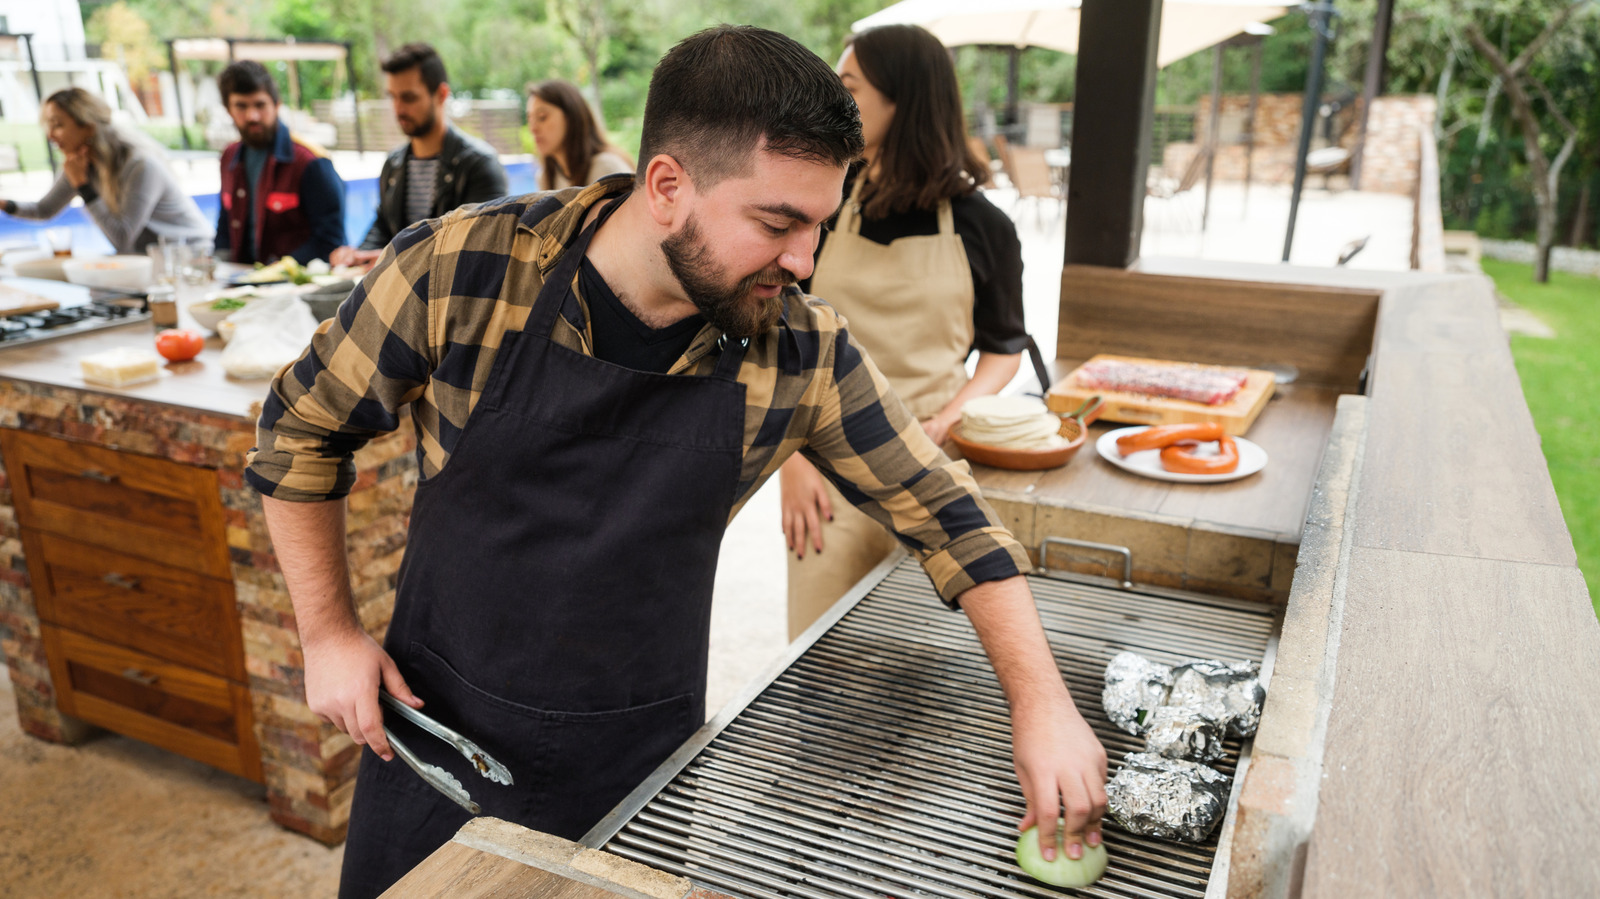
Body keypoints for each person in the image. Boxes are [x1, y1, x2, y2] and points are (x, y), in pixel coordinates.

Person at [247, 26, 1105, 899]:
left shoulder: (799, 352)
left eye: (820, 224)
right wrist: (328, 634)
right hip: (437, 741)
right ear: (667, 186)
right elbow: (300, 428)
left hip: (635, 766)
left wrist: (1042, 704)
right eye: (778, 222)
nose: (804, 260)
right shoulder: (461, 270)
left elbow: (948, 513)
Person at [782, 24, 1032, 640]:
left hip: (935, 463)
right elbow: (779, 330)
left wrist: (948, 420)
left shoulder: (983, 225)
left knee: (926, 655)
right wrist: (791, 460)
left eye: (849, 88)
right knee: (821, 654)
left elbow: (1003, 351)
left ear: (904, 99)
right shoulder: (825, 203)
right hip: (827, 464)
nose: (834, 105)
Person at [329, 43, 509, 267]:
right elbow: (383, 227)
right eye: (393, 97)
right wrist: (356, 256)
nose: (398, 109)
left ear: (441, 95)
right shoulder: (393, 164)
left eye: (409, 98)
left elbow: (480, 251)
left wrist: (395, 261)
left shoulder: (479, 165)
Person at [0, 88, 211, 254]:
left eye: (57, 125)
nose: (50, 135)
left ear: (88, 126)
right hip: (148, 260)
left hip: (192, 256)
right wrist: (3, 203)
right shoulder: (81, 165)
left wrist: (83, 187)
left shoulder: (140, 166)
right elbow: (43, 210)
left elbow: (122, 238)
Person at [215, 60, 345, 265]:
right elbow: (225, 226)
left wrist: (276, 271)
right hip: (242, 276)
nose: (252, 116)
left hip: (297, 278)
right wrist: (218, 267)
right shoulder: (229, 157)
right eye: (241, 106)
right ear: (228, 109)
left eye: (260, 105)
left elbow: (330, 240)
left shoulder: (309, 160)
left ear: (276, 104)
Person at [527, 79, 634, 189]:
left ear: (571, 117)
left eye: (542, 117)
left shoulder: (606, 169)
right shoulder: (545, 178)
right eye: (530, 119)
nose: (533, 128)